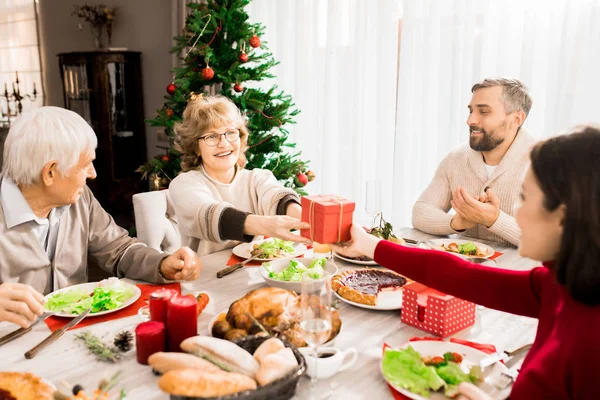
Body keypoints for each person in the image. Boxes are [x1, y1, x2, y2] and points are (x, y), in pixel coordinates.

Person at [333, 125, 600, 399]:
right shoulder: (557, 286)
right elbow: (460, 275)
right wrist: (369, 244)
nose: (515, 212)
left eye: (524, 198)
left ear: (563, 217)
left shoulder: (592, 342)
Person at [0, 107, 202, 328]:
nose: (93, 173)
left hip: (76, 334)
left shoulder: (80, 199)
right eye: (85, 164)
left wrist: (162, 263)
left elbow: (118, 250)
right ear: (50, 173)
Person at [169, 94, 310, 256]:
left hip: (253, 273)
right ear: (195, 147)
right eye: (212, 136)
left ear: (241, 137)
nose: (224, 143)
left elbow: (276, 197)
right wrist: (267, 225)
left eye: (230, 132)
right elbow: (213, 216)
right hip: (203, 276)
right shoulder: (184, 185)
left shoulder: (258, 178)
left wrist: (305, 220)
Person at [412, 77, 536, 246]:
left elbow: (552, 241)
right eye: (471, 111)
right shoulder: (455, 159)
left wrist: (494, 219)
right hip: (463, 270)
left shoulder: (544, 164)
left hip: (518, 271)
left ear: (516, 119)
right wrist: (457, 223)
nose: (470, 120)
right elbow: (420, 212)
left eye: (484, 112)